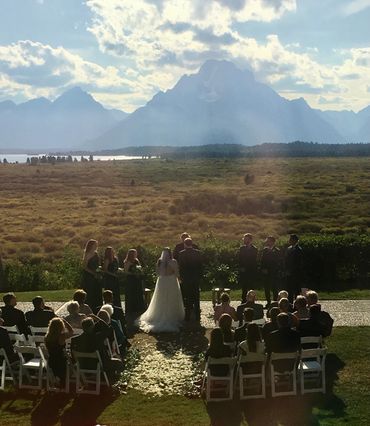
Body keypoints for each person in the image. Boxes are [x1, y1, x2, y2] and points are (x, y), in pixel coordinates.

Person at [139, 248, 185, 333]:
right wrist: (179, 279)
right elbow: (177, 272)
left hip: (162, 282)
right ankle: (172, 316)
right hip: (171, 281)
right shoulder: (173, 261)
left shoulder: (159, 262)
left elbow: (157, 273)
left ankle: (159, 315)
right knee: (171, 298)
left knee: (161, 299)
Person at [71, 317, 124, 384]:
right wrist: (98, 319)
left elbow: (72, 354)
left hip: (83, 366)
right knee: (119, 363)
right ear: (92, 326)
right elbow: (109, 329)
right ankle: (113, 379)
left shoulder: (75, 340)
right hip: (99, 365)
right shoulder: (97, 337)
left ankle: (105, 377)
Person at [178, 238, 203, 323]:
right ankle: (197, 316)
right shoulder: (198, 253)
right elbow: (201, 266)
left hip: (186, 279)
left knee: (187, 297)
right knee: (196, 297)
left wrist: (181, 277)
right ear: (192, 244)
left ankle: (187, 316)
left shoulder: (181, 254)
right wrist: (199, 276)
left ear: (185, 244)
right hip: (195, 278)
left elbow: (181, 267)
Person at [45, 317, 74, 387]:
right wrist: (65, 322)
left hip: (51, 360)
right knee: (73, 359)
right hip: (61, 361)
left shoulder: (47, 337)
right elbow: (71, 331)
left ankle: (57, 380)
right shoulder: (61, 336)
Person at [123, 249, 146, 319]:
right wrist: (133, 273)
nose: (136, 254)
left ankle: (138, 308)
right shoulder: (127, 262)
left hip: (137, 280)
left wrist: (140, 272)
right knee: (131, 293)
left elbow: (140, 268)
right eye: (135, 253)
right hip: (131, 280)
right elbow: (125, 272)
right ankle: (131, 310)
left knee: (138, 293)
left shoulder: (136, 260)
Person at [82, 239, 102, 313]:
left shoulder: (96, 253)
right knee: (90, 291)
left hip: (96, 275)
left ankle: (97, 308)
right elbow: (84, 267)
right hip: (89, 276)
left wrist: (99, 270)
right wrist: (93, 273)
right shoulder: (87, 254)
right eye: (95, 245)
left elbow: (98, 264)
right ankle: (90, 309)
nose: (96, 246)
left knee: (97, 291)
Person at [260, 236, 280, 307]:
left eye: (268, 241)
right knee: (267, 288)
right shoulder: (265, 250)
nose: (267, 242)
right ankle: (268, 302)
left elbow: (277, 262)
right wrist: (263, 269)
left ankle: (275, 303)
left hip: (274, 273)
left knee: (275, 288)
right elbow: (262, 261)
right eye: (267, 241)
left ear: (272, 242)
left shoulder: (277, 250)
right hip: (266, 273)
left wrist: (272, 270)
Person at [238, 233, 258, 303]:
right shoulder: (242, 248)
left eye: (246, 239)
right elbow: (239, 259)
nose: (244, 240)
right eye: (244, 239)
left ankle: (252, 300)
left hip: (251, 271)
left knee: (251, 287)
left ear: (250, 240)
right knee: (244, 287)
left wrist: (248, 268)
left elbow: (253, 261)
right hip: (243, 271)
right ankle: (243, 300)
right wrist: (241, 268)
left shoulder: (254, 249)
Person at [284, 234, 304, 303]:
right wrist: (286, 270)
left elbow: (298, 263)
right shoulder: (288, 249)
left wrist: (291, 271)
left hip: (296, 273)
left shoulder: (299, 249)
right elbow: (286, 260)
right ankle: (290, 304)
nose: (289, 241)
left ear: (295, 240)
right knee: (289, 289)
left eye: (291, 239)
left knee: (296, 290)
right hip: (288, 273)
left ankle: (297, 304)